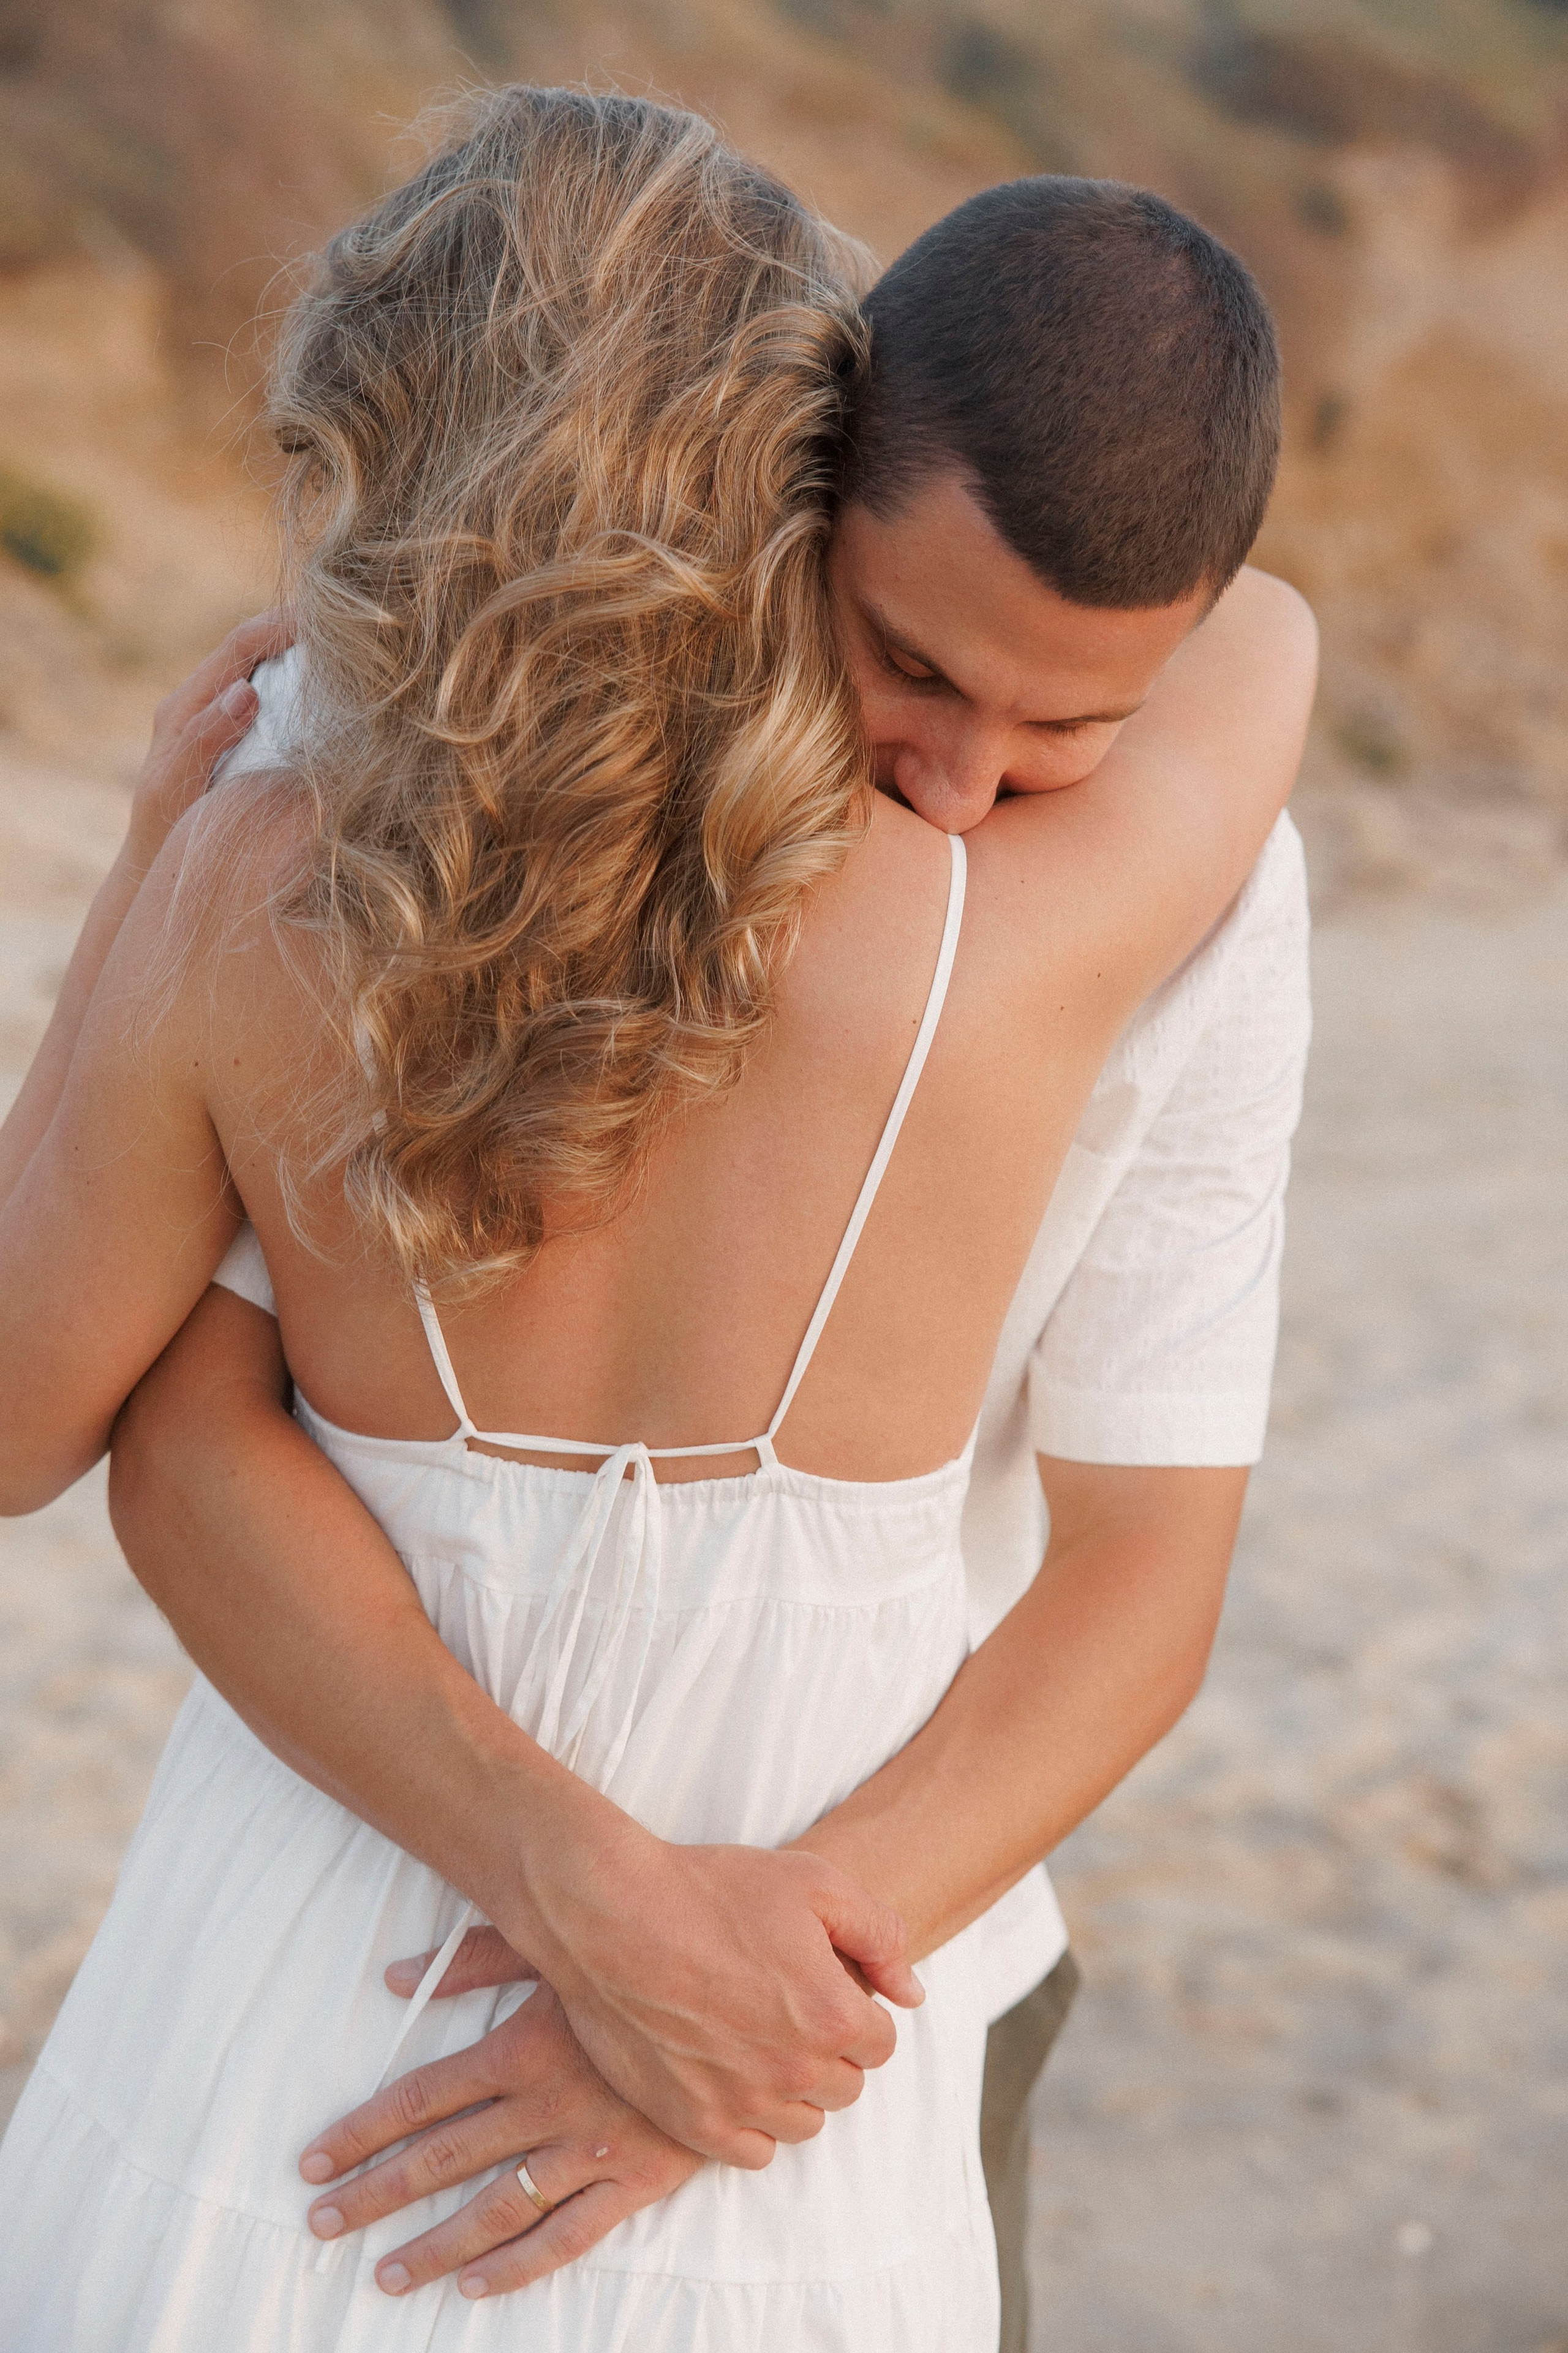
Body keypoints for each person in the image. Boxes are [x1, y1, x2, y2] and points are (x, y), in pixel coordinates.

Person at [0, 89, 1313, 2352]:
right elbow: (176, 1444)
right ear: (789, 491)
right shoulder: (1096, 903)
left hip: (758, 1952)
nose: (968, 779)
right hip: (686, 2000)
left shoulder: (276, 834)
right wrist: (645, 1940)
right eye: (913, 662)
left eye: (1069, 721)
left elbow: (111, 1417)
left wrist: (716, 1981)